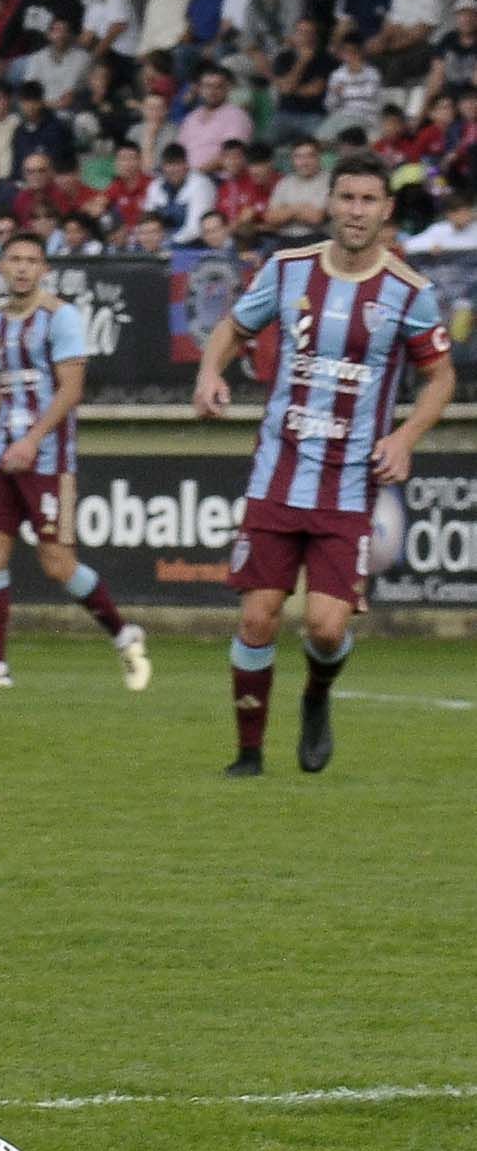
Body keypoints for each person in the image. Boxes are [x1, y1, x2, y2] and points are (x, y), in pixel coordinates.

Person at [191, 153, 455, 777]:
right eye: (346, 198)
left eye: (368, 200)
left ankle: (315, 695)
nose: (356, 211)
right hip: (277, 474)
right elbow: (231, 328)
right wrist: (209, 371)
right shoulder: (287, 270)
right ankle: (249, 754)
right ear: (329, 204)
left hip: (350, 485)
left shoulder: (409, 292)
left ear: (386, 210)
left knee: (326, 628)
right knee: (257, 616)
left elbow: (439, 378)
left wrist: (406, 436)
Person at [0, 232, 152, 693]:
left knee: (57, 562)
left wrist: (32, 441)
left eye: (31, 261)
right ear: (0, 266)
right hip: (4, 455)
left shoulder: (62, 318)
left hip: (48, 459)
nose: (21, 268)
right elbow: (5, 386)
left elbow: (71, 390)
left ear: (44, 270)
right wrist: (2, 436)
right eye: (14, 259)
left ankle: (123, 633)